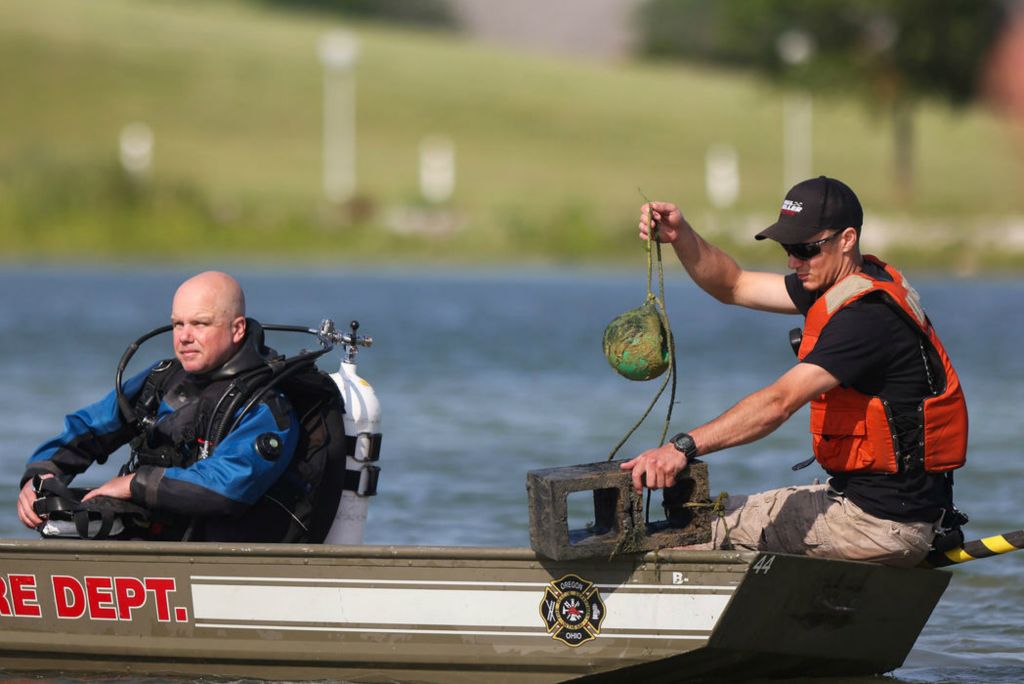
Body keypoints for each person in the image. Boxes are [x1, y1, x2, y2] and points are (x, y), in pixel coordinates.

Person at [621, 177, 968, 567]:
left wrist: (679, 448)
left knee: (700, 529)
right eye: (789, 248)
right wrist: (681, 235)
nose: (793, 262)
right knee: (724, 512)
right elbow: (733, 285)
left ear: (847, 239)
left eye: (805, 249)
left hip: (876, 526)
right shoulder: (850, 279)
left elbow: (779, 403)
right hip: (893, 514)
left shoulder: (865, 319)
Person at [16, 271, 311, 542]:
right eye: (177, 323)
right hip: (155, 540)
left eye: (200, 323)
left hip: (221, 558)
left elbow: (226, 486)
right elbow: (90, 427)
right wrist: (40, 476)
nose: (184, 336)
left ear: (237, 329)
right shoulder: (161, 379)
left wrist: (133, 485)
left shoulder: (266, 406)